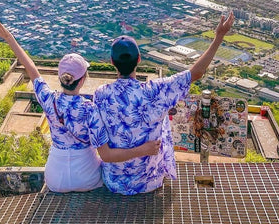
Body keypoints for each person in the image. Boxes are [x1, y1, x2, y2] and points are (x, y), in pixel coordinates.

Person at [0, 18, 160, 193]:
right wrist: (143, 149)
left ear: (61, 77)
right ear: (83, 79)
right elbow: (106, 154)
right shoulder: (90, 109)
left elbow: (30, 67)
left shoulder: (48, 99)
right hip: (87, 177)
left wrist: (9, 37)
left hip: (55, 178)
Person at [89, 12, 235, 195]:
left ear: (112, 62)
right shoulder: (157, 91)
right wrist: (218, 37)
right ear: (139, 59)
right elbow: (196, 73)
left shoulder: (101, 95)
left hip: (115, 182)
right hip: (150, 181)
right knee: (162, 116)